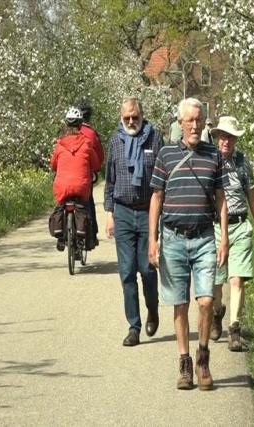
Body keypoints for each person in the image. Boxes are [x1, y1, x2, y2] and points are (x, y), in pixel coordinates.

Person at [148, 97, 229, 391]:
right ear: (180, 123)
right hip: (172, 238)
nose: (195, 125)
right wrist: (152, 240)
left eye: (199, 120)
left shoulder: (213, 156)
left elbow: (221, 198)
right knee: (179, 305)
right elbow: (156, 199)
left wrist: (224, 239)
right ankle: (184, 362)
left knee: (206, 301)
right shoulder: (166, 155)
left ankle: (203, 356)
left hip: (205, 237)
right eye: (189, 120)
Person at [104, 97, 164, 347]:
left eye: (135, 117)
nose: (131, 121)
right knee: (127, 273)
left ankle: (153, 307)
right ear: (121, 117)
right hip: (123, 212)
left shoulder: (155, 138)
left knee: (148, 270)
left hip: (148, 212)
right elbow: (109, 180)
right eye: (127, 117)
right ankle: (134, 327)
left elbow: (163, 180)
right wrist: (109, 214)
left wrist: (163, 215)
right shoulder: (115, 141)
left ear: (142, 116)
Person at [209, 116, 254, 351]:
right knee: (216, 280)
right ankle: (216, 313)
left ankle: (234, 330)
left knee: (237, 278)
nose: (226, 141)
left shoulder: (243, 163)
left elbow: (253, 199)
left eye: (231, 137)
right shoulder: (210, 161)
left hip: (240, 225)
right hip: (215, 227)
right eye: (223, 136)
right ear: (217, 137)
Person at [50, 107, 101, 251]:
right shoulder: (86, 143)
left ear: (66, 125)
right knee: (84, 207)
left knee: (60, 203)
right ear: (80, 126)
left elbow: (53, 164)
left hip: (62, 186)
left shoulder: (60, 145)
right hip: (81, 187)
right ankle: (83, 235)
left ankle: (60, 235)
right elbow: (96, 164)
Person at [77, 100, 104, 247]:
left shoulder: (66, 133)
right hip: (86, 176)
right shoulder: (92, 134)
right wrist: (97, 168)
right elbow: (99, 156)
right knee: (88, 202)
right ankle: (91, 235)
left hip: (65, 179)